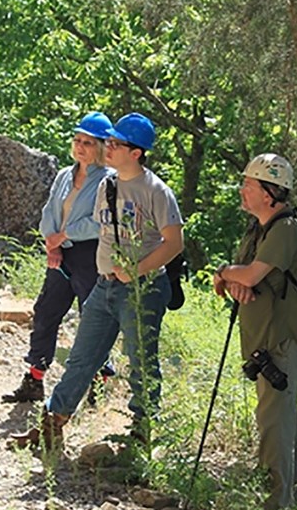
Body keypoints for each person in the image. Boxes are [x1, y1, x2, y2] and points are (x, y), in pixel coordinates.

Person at [12, 112, 184, 449]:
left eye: (116, 143)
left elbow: (174, 243)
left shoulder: (156, 191)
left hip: (141, 289)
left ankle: (142, 434)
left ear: (136, 153)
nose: (109, 147)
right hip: (105, 286)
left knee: (140, 361)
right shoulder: (108, 185)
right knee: (81, 357)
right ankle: (51, 425)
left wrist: (136, 269)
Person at [213, 153, 297, 510]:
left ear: (271, 192)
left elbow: (251, 275)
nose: (242, 190)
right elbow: (243, 278)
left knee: (273, 420)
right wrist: (232, 279)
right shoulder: (258, 228)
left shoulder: (286, 229)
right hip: (264, 341)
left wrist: (229, 273)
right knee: (282, 416)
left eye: (249, 185)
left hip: (281, 340)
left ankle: (275, 508)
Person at [2, 111, 114, 405]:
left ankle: (99, 382)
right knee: (46, 312)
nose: (80, 147)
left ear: (102, 147)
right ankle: (34, 378)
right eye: (77, 140)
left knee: (93, 319)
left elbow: (101, 221)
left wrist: (64, 236)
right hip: (60, 254)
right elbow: (50, 210)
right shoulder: (65, 174)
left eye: (88, 143)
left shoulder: (109, 181)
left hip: (90, 254)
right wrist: (52, 244)